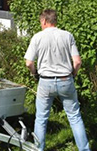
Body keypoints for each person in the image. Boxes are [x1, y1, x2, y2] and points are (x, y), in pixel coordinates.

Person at [24, 9, 90, 151]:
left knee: (41, 119)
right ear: (55, 20)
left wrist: (34, 74)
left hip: (45, 82)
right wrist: (73, 74)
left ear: (44, 21)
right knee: (75, 117)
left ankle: (38, 149)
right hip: (66, 79)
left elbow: (29, 62)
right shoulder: (67, 36)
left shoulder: (37, 37)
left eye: (40, 22)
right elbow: (77, 61)